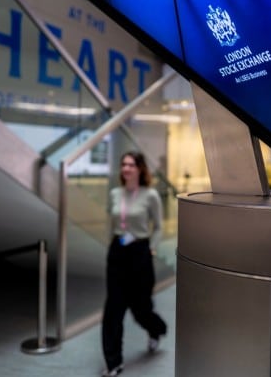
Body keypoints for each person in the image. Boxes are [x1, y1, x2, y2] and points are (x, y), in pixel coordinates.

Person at [101, 151, 167, 377]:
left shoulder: (150, 196)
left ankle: (156, 330)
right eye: (123, 164)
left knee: (141, 308)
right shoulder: (114, 193)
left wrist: (152, 248)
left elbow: (158, 226)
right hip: (118, 251)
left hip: (140, 252)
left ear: (140, 169)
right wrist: (110, 245)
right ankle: (113, 363)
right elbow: (111, 222)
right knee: (113, 309)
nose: (126, 168)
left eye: (131, 165)